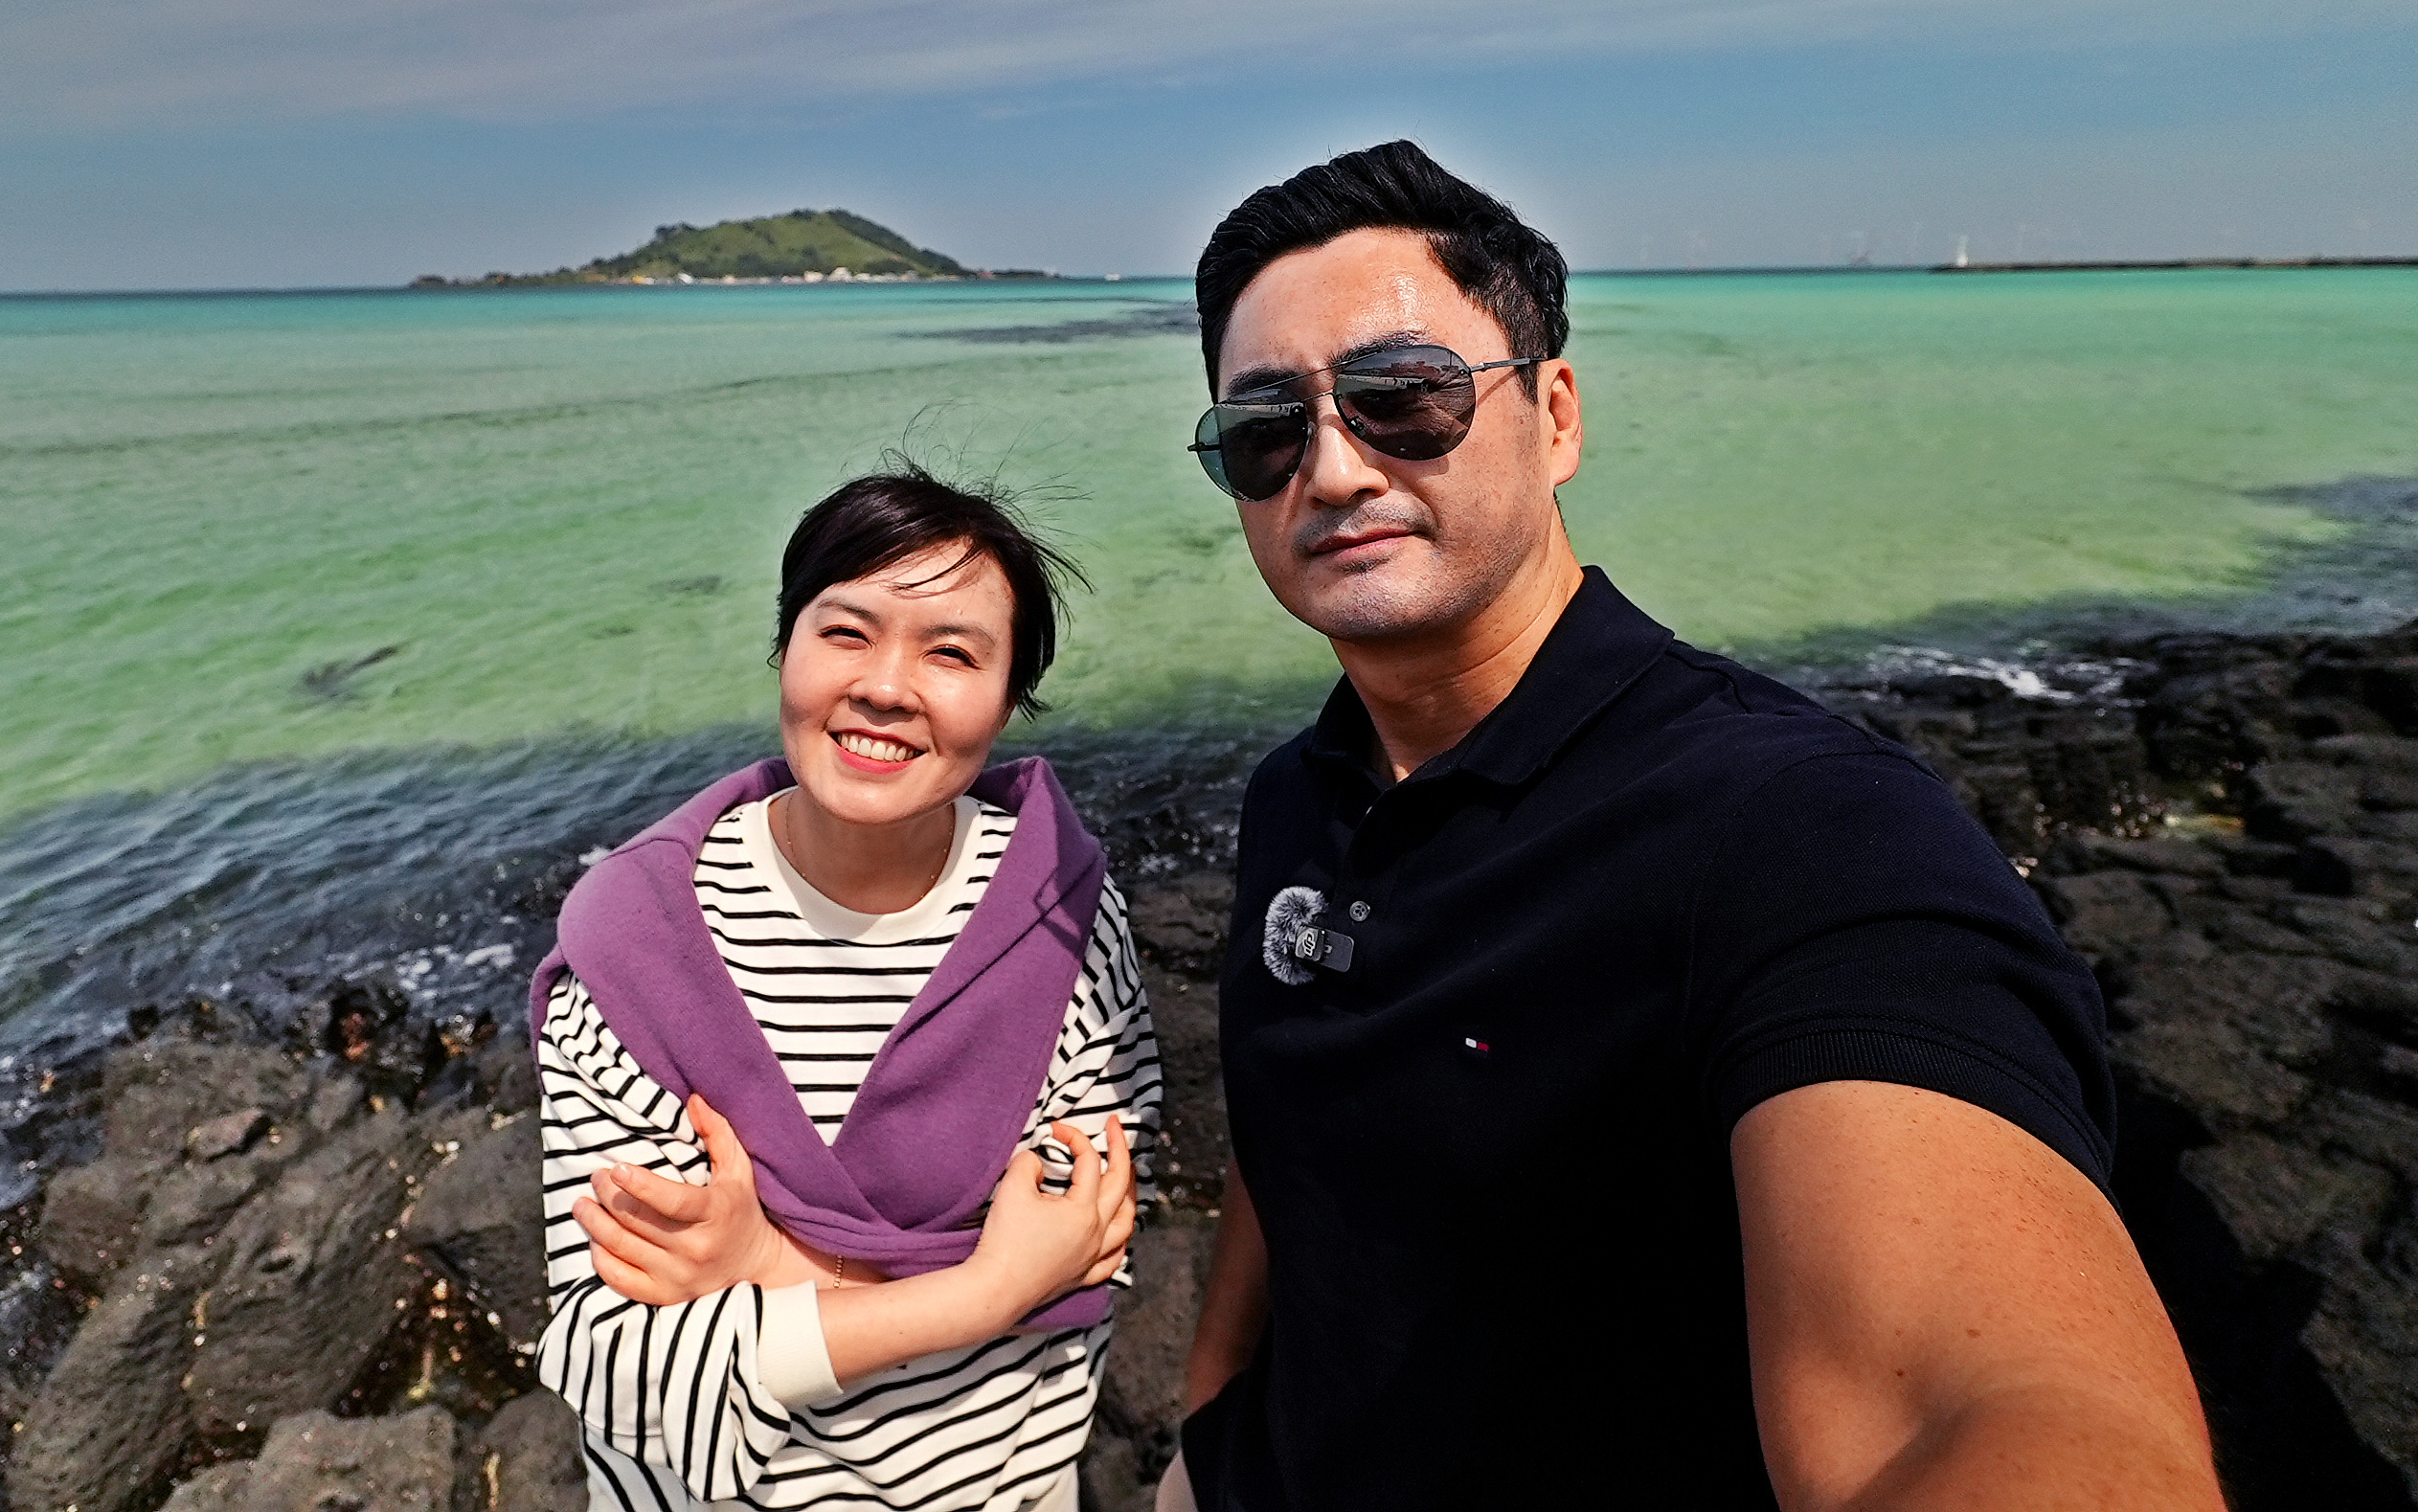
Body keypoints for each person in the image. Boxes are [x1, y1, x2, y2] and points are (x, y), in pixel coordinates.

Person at [1164, 142, 2223, 1510]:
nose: (1330, 469)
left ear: (1555, 416)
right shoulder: (1296, 794)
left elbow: (1994, 1410)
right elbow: (1297, 1124)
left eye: (1404, 398)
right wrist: (1207, 1416)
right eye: (1264, 431)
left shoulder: (1801, 830)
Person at [530, 465, 1162, 1511]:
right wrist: (984, 1289)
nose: (885, 687)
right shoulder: (639, 942)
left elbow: (1082, 1259)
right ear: (785, 645)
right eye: (845, 632)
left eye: (952, 653)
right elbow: (620, 1362)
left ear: (1010, 698)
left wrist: (769, 1260)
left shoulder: (1061, 918)